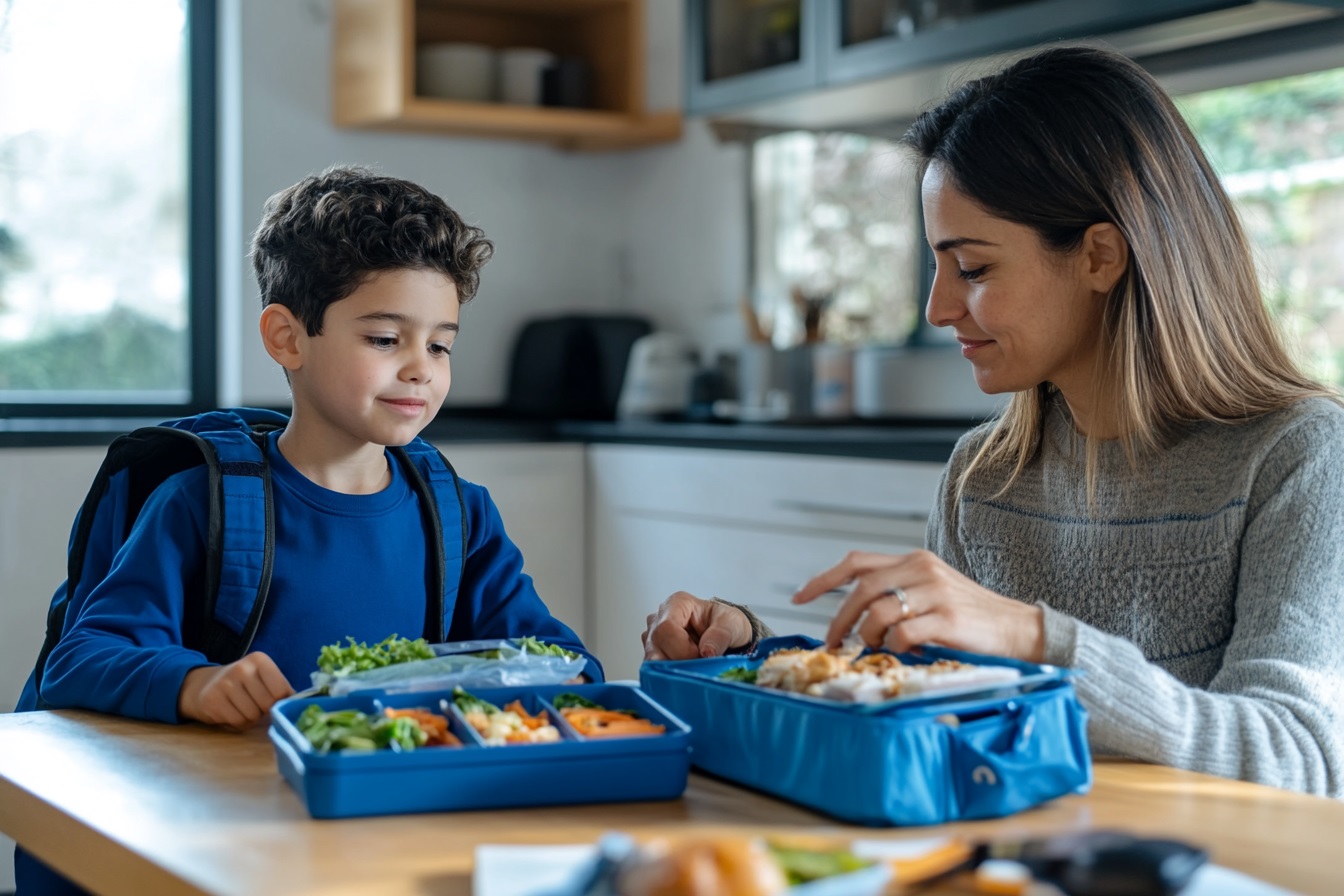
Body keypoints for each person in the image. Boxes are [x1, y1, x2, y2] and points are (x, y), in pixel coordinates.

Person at [642, 45, 1344, 797]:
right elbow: (928, 702)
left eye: (972, 268)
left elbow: (1299, 757)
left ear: (1100, 255)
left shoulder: (1298, 454)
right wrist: (755, 652)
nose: (938, 309)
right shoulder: (985, 475)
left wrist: (1036, 638)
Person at [16, 165, 601, 895]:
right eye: (387, 338)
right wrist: (195, 683)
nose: (421, 370)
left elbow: (565, 665)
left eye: (442, 345)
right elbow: (83, 656)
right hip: (220, 847)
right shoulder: (202, 503)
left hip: (384, 848)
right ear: (287, 338)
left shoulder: (459, 511)